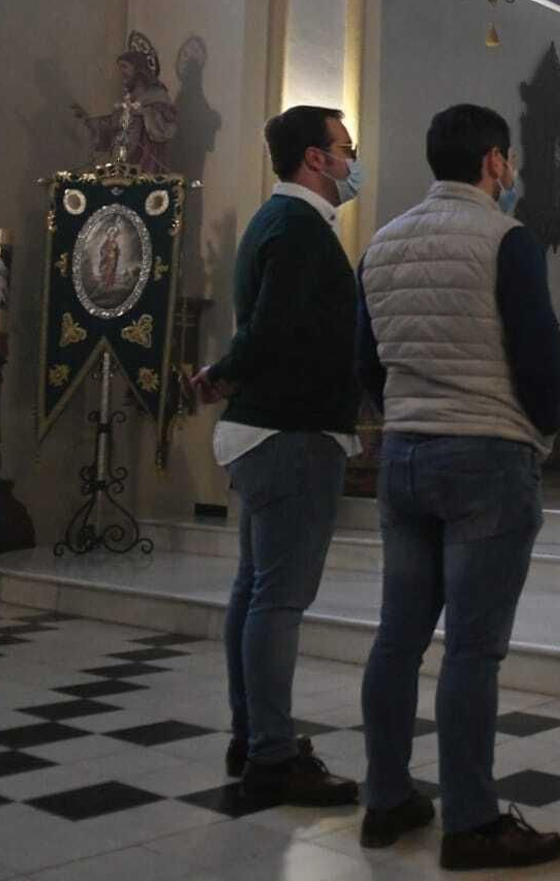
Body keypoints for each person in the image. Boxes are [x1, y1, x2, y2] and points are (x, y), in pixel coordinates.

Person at [355, 104, 560, 870]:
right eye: (507, 160)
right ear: (495, 163)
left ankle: (385, 799)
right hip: (485, 453)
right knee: (472, 651)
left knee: (397, 638)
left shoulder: (381, 243)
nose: (510, 172)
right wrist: (542, 430)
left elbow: (365, 359)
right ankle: (470, 822)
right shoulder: (506, 240)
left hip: (404, 455)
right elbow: (539, 352)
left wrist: (405, 414)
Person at [190, 105, 364, 805]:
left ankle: (253, 731)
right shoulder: (298, 229)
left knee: (255, 590)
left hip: (269, 433)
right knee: (279, 599)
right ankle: (270, 752)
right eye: (345, 149)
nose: (353, 161)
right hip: (290, 434)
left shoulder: (278, 222)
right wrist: (223, 372)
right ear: (315, 159)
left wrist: (225, 375)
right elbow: (273, 330)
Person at [72, 50, 178, 173]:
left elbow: (168, 121)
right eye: (120, 68)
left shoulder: (157, 94)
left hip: (147, 160)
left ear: (138, 67)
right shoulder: (129, 97)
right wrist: (89, 120)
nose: (122, 72)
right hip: (124, 162)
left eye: (124, 67)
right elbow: (115, 125)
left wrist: (144, 112)